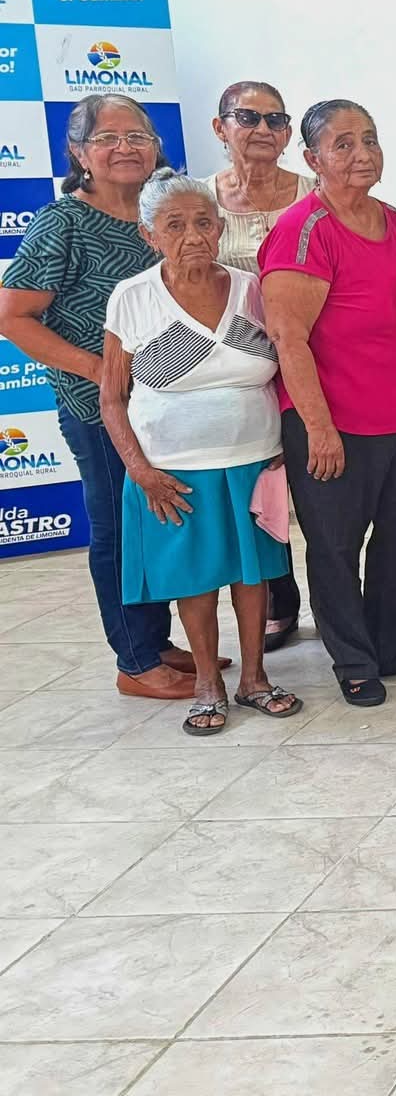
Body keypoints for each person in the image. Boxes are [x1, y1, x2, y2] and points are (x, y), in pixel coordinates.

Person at [260, 99, 396, 706]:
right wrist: (318, 429)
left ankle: (393, 644)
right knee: (336, 548)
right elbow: (288, 338)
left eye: (369, 139)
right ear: (312, 158)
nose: (362, 153)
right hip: (335, 423)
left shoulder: (393, 221)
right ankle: (353, 660)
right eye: (342, 144)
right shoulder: (303, 229)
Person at [100, 171, 298, 733]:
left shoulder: (252, 289)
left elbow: (288, 366)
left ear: (221, 227)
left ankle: (255, 678)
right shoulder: (133, 298)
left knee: (253, 574)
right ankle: (208, 683)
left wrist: (290, 442)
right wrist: (141, 471)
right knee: (195, 578)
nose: (193, 236)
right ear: (149, 235)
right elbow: (112, 399)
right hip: (174, 471)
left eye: (204, 222)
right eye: (175, 225)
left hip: (255, 461)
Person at [0, 96, 181, 696]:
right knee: (117, 528)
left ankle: (156, 640)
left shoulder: (163, 213)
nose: (126, 148)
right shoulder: (64, 223)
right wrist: (98, 370)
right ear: (79, 152)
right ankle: (135, 661)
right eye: (107, 137)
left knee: (153, 524)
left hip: (163, 404)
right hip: (98, 410)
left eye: (138, 136)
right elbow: (13, 316)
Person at [204, 79, 316, 649]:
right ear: (220, 127)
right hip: (234, 371)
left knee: (320, 488)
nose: (263, 129)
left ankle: (341, 603)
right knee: (258, 487)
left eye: (275, 119)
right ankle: (278, 597)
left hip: (313, 361)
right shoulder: (199, 200)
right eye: (247, 117)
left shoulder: (317, 192)